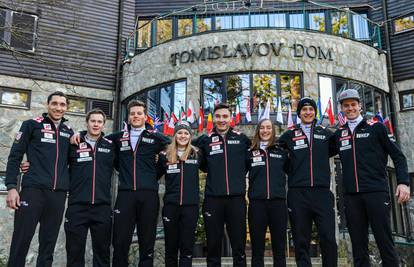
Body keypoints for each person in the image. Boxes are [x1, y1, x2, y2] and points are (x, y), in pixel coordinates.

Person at [334, 89, 410, 267]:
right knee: (358, 247)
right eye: (346, 105)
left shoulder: (376, 127)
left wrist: (403, 183)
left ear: (360, 106)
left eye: (353, 104)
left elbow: (398, 157)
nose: (350, 108)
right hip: (352, 197)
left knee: (385, 242)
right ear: (342, 109)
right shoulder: (339, 134)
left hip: (376, 193)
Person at [5, 91, 73, 267]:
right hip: (32, 192)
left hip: (57, 195)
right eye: (55, 103)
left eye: (62, 104)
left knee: (48, 246)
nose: (58, 107)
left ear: (67, 107)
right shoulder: (31, 125)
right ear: (47, 105)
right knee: (21, 241)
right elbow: (15, 157)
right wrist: (12, 186)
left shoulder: (69, 132)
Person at [109, 100, 169, 267]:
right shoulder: (118, 137)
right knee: (120, 241)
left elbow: (174, 144)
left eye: (139, 113)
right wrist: (81, 133)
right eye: (132, 113)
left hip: (148, 195)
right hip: (125, 195)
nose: (135, 116)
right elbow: (97, 137)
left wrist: (157, 169)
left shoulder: (155, 137)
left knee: (147, 242)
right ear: (128, 117)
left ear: (145, 116)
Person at [279, 97, 337, 267]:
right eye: (304, 110)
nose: (308, 112)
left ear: (315, 112)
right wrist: (291, 168)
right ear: (299, 113)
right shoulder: (289, 134)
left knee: (328, 237)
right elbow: (278, 157)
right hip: (298, 194)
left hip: (322, 193)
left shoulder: (325, 133)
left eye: (311, 109)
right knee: (301, 240)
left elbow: (335, 149)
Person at [193, 103, 251, 267]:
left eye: (225, 116)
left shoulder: (242, 139)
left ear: (230, 118)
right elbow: (188, 151)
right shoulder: (205, 140)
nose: (222, 120)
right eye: (218, 116)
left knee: (239, 247)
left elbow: (250, 161)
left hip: (236, 199)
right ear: (213, 119)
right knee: (213, 247)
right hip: (213, 200)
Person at [65, 108, 114, 267]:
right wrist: (28, 163)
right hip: (77, 206)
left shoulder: (111, 146)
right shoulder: (74, 143)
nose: (96, 124)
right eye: (93, 121)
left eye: (99, 121)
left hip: (102, 207)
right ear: (87, 123)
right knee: (74, 252)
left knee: (102, 253)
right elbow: (55, 162)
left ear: (103, 125)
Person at [157, 120, 203, 267]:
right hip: (171, 206)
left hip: (190, 207)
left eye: (186, 133)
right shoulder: (165, 155)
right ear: (175, 135)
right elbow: (155, 175)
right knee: (171, 247)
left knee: (187, 248)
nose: (183, 136)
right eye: (180, 132)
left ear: (190, 136)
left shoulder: (196, 154)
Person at [246, 119, 288, 267]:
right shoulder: (250, 153)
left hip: (278, 204)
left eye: (268, 128)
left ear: (273, 130)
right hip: (257, 205)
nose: (265, 131)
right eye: (262, 128)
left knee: (279, 248)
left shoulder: (282, 152)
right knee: (257, 250)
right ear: (258, 131)